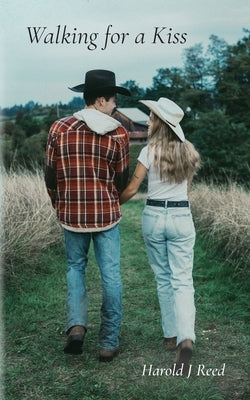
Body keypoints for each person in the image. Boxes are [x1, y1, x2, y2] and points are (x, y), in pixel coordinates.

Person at [45, 69, 131, 362]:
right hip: (106, 213)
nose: (115, 105)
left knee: (75, 268)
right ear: (100, 99)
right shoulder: (118, 133)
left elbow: (50, 176)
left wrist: (61, 203)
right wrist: (110, 198)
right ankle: (107, 342)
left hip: (71, 213)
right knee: (111, 275)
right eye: (113, 99)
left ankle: (77, 328)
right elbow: (121, 178)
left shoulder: (59, 128)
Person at [119, 97, 200, 373]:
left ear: (161, 124)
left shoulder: (148, 152)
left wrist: (112, 204)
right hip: (181, 216)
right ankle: (185, 337)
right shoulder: (188, 151)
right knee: (183, 279)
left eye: (152, 118)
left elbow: (131, 189)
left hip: (154, 217)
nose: (148, 122)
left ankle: (170, 335)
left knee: (163, 278)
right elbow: (186, 192)